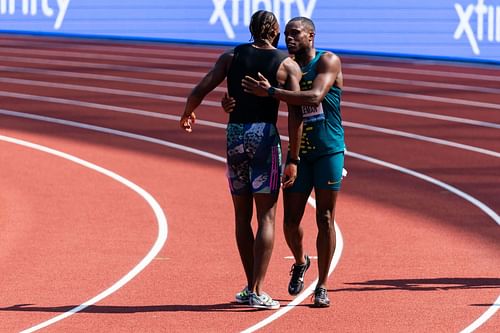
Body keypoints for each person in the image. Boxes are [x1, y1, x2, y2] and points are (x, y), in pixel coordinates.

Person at [180, 10, 303, 310]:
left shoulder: (231, 57)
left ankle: (251, 286)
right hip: (263, 137)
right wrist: (294, 157)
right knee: (267, 216)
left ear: (249, 30)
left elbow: (200, 88)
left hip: (235, 135)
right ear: (275, 32)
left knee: (241, 215)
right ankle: (259, 290)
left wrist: (188, 112)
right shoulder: (286, 65)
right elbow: (296, 112)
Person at [223, 16, 345, 307]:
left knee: (325, 218)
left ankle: (323, 286)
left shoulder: (327, 61)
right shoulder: (283, 65)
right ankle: (301, 261)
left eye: (296, 34)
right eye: (286, 34)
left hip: (328, 149)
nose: (289, 38)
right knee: (290, 221)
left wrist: (271, 92)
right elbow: (254, 99)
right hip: (299, 154)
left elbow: (315, 94)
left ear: (311, 35)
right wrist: (231, 103)